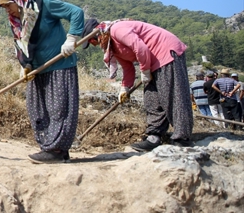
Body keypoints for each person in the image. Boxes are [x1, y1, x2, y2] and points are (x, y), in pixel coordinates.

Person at [0, 0, 84, 164]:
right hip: (37, 70)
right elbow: (21, 46)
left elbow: (76, 13)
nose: (7, 10)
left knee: (59, 109)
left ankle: (57, 150)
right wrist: (25, 66)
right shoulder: (16, 21)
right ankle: (49, 148)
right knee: (37, 109)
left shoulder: (45, 5)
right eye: (3, 6)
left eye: (8, 4)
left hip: (59, 65)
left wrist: (71, 38)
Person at [82, 18, 193, 151]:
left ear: (97, 35)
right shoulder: (112, 46)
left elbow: (140, 48)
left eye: (92, 42)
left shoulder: (118, 30)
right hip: (151, 61)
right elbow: (128, 68)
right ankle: (154, 136)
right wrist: (125, 87)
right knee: (151, 98)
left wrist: (145, 70)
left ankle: (182, 137)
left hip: (165, 51)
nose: (95, 45)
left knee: (172, 95)